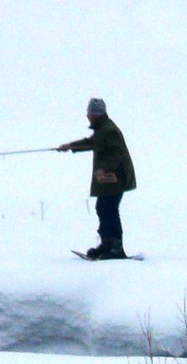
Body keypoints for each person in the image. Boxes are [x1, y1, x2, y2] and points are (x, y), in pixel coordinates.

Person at [57, 98, 136, 259]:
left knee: (109, 210)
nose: (88, 116)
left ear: (96, 114)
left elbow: (117, 153)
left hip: (116, 179)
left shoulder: (109, 130)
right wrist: (70, 146)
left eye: (90, 113)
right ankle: (107, 244)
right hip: (108, 180)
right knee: (103, 208)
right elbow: (93, 143)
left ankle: (115, 248)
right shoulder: (102, 129)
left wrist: (104, 169)